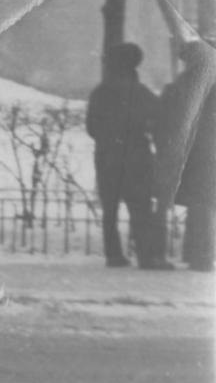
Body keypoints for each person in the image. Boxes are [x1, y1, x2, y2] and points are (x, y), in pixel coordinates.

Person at [84, 41, 162, 268]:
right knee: (140, 208)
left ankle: (113, 254)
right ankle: (146, 256)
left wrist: (109, 139)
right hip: (137, 158)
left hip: (108, 158)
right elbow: (159, 121)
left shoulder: (100, 93)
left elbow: (92, 128)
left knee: (110, 208)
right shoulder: (142, 93)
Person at [160, 39, 216, 272]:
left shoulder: (195, 79)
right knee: (202, 202)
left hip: (201, 149)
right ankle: (198, 254)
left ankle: (200, 256)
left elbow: (185, 116)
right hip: (205, 148)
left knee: (201, 202)